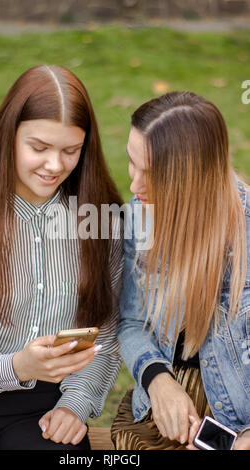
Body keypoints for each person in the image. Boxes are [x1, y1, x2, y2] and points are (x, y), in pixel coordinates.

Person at [0, 64, 124, 450]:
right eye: (39, 147)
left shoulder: (102, 223)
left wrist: (74, 406)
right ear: (7, 137)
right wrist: (19, 366)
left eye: (70, 150)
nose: (55, 165)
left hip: (46, 407)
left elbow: (105, 335)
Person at [115, 91, 250, 450]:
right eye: (132, 162)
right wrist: (159, 381)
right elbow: (130, 322)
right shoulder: (141, 218)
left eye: (153, 173)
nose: (134, 186)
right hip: (174, 405)